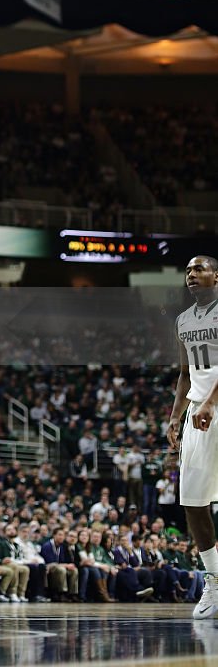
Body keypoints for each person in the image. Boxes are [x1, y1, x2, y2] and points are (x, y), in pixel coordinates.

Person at [168, 255, 218, 620]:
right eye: (187, 270)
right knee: (192, 501)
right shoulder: (183, 321)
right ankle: (214, 582)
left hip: (212, 407)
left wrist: (212, 403)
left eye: (199, 268)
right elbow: (185, 374)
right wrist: (174, 417)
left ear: (216, 275)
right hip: (198, 413)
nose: (192, 274)